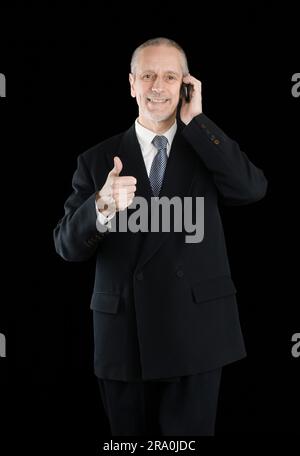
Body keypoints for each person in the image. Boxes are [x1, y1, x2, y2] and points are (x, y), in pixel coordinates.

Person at [53, 37, 268, 436]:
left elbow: (251, 189)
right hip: (124, 338)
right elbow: (66, 247)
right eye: (148, 75)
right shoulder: (97, 159)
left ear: (186, 85)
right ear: (131, 84)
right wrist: (101, 204)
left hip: (197, 334)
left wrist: (198, 122)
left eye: (170, 76)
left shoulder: (206, 147)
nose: (157, 86)